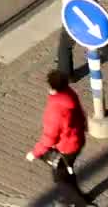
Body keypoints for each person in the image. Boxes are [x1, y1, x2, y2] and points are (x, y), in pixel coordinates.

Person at [25, 70, 93, 207]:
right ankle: (72, 200)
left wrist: (35, 153)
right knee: (68, 171)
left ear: (51, 87)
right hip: (77, 140)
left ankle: (80, 203)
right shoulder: (70, 94)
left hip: (65, 147)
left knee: (60, 179)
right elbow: (80, 113)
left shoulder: (55, 109)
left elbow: (50, 137)